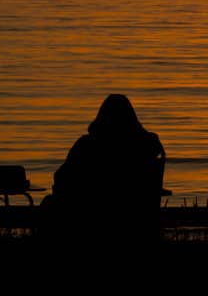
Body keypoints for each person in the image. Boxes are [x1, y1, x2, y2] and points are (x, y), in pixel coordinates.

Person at [46, 94, 166, 241]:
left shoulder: (87, 146)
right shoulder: (145, 146)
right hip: (135, 218)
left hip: (92, 215)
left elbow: (62, 177)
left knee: (50, 204)